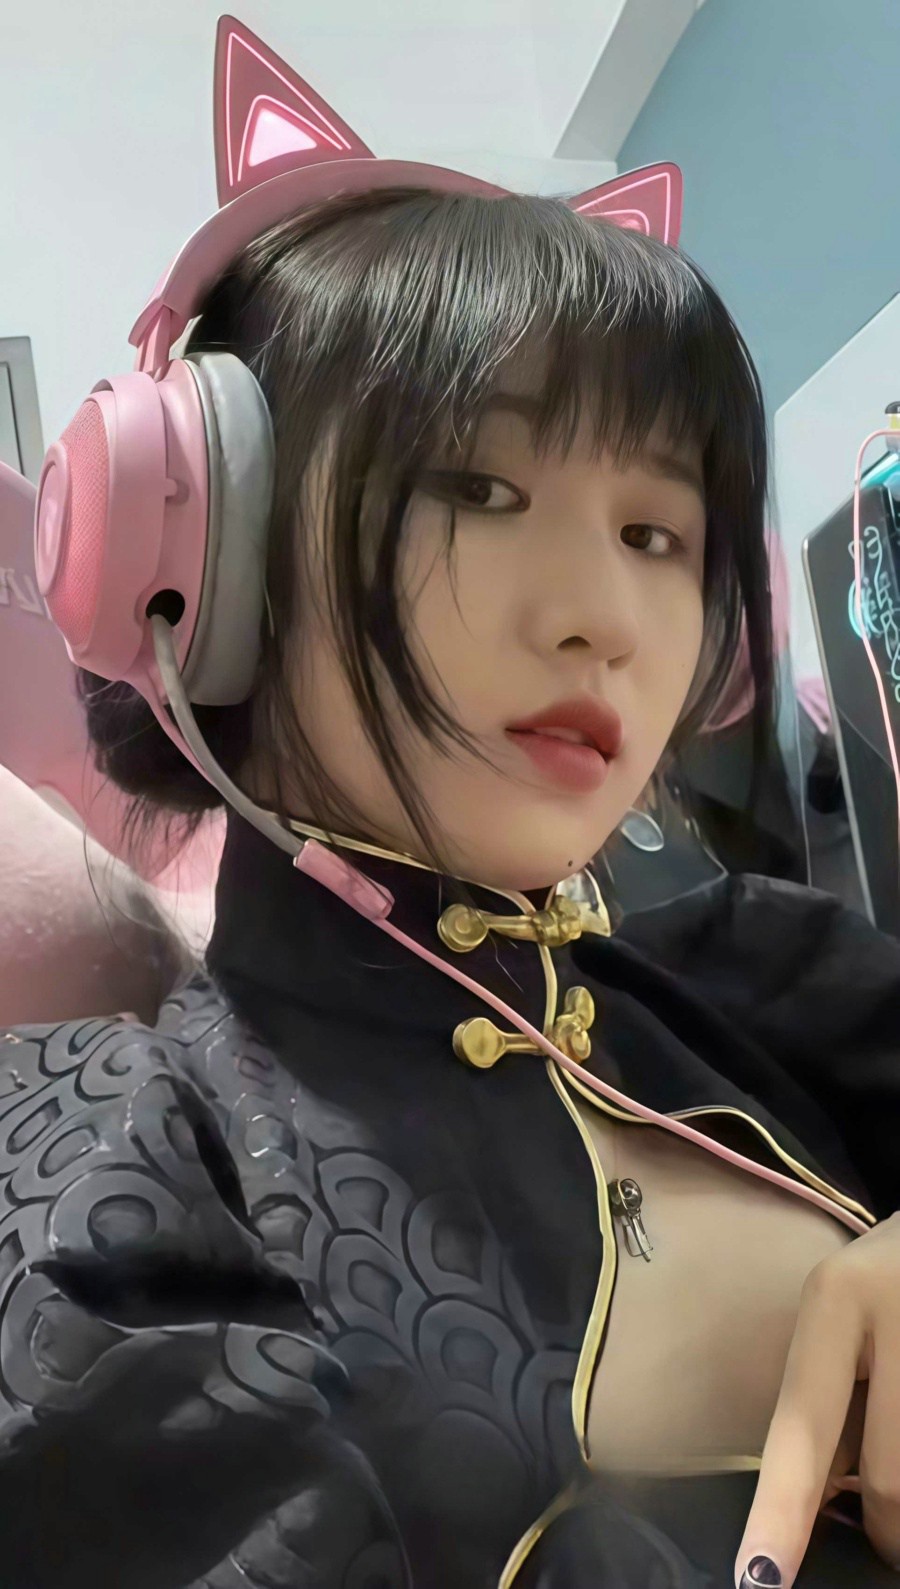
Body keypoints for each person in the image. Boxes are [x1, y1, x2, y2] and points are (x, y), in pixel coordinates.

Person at [2, 17, 900, 1589]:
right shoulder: (132, 1163)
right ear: (202, 550)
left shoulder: (763, 979)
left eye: (658, 533)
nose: (604, 618)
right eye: (479, 489)